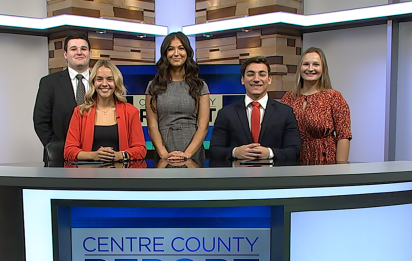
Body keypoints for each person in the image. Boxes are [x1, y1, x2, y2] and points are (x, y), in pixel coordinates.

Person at [210, 56, 301, 163]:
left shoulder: (285, 113)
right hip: (238, 176)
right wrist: (235, 152)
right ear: (242, 80)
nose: (256, 79)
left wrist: (269, 153)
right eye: (250, 74)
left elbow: (294, 151)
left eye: (262, 74)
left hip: (274, 176)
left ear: (269, 79)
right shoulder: (226, 113)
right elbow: (215, 150)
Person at [145, 32, 210, 164]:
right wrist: (163, 154)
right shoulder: (154, 86)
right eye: (171, 49)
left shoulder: (200, 86)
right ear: (165, 54)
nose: (176, 53)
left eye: (181, 48)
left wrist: (187, 154)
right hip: (163, 150)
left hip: (193, 151)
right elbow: (152, 126)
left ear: (187, 52)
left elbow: (203, 126)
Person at [64, 60, 146, 162]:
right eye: (99, 79)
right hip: (88, 174)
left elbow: (140, 149)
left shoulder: (130, 111)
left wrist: (119, 155)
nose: (104, 84)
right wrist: (93, 156)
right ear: (93, 82)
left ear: (116, 83)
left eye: (109, 79)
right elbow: (69, 151)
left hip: (122, 174)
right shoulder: (80, 112)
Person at [280, 47, 352, 165]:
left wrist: (341, 169)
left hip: (324, 162)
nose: (310, 68)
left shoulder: (334, 97)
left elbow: (343, 136)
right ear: (300, 68)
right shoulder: (288, 98)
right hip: (293, 161)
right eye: (306, 64)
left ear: (323, 68)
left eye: (316, 64)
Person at [33, 33, 91, 162]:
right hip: (60, 157)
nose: (79, 52)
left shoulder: (101, 83)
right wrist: (57, 147)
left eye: (83, 48)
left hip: (96, 156)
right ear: (65, 54)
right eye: (73, 49)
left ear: (90, 53)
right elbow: (41, 121)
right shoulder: (49, 83)